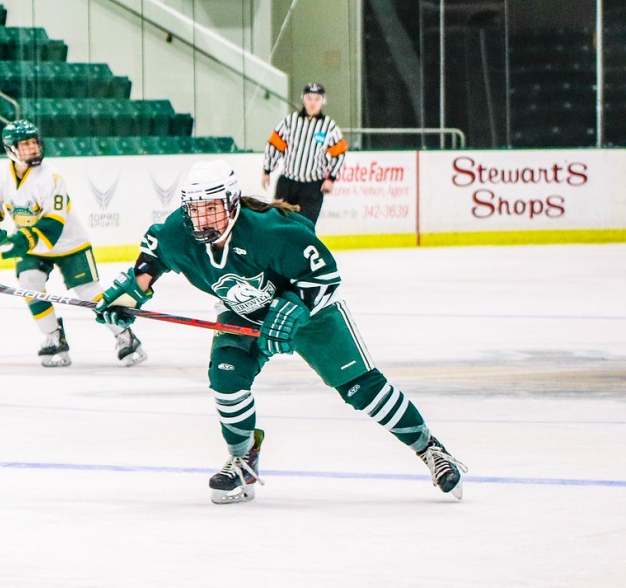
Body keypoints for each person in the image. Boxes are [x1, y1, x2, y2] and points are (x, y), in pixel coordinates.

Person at [94, 160, 463, 504]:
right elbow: (151, 261)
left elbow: (324, 275)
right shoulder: (179, 232)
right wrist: (127, 298)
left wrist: (293, 309)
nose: (202, 219)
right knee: (226, 378)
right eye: (195, 209)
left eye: (212, 208)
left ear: (232, 203)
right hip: (242, 314)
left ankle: (430, 449)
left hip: (310, 313)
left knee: (361, 389)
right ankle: (243, 462)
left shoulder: (271, 232)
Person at [0, 119, 145, 368]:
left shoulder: (51, 176)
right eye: (25, 144)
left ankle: (125, 336)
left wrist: (22, 239)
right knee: (29, 284)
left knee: (89, 292)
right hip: (33, 246)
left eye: (34, 142)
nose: (32, 148)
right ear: (10, 149)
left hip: (69, 244)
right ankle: (53, 337)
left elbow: (54, 224)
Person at [262, 82, 347, 223]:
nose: (312, 103)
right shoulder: (290, 121)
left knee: (305, 225)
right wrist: (267, 170)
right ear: (303, 99)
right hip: (288, 183)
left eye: (317, 99)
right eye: (309, 98)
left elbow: (339, 154)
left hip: (312, 186)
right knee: (278, 222)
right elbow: (274, 145)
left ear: (323, 101)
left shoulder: (329, 127)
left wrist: (331, 179)